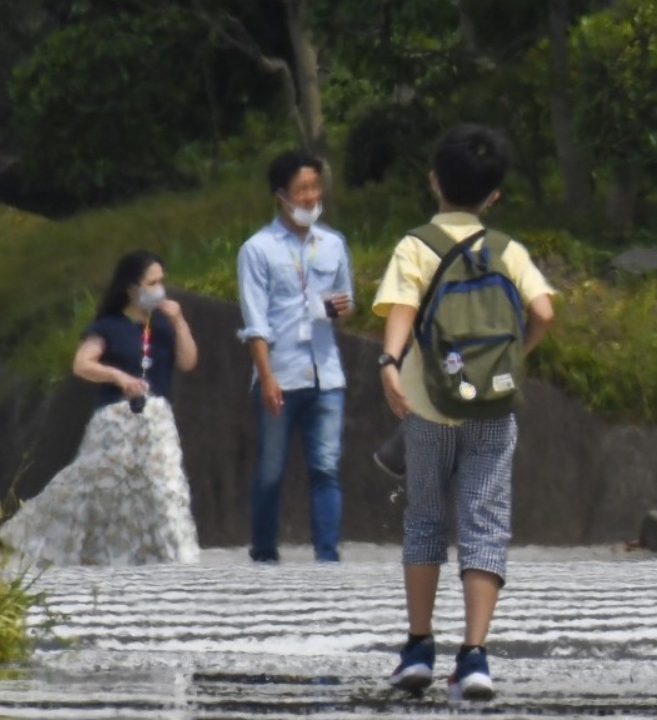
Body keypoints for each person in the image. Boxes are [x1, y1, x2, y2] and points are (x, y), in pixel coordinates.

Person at [373, 124, 555, 701]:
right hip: (494, 407)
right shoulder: (508, 250)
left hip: (427, 403)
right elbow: (545, 311)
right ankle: (474, 657)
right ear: (493, 194)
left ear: (434, 180)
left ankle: (419, 649)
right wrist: (512, 359)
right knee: (485, 522)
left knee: (425, 518)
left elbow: (401, 310)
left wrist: (388, 361)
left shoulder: (415, 246)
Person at [0, 250, 200, 566]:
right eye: (153, 282)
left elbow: (188, 361)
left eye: (162, 281)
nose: (160, 288)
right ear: (132, 289)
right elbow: (82, 364)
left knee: (167, 487)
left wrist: (178, 320)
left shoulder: (163, 325)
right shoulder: (107, 326)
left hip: (157, 417)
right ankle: (62, 540)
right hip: (116, 418)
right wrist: (118, 376)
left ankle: (175, 554)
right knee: (100, 484)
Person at [237, 150, 354, 563]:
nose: (310, 197)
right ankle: (265, 550)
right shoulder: (258, 249)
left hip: (327, 373)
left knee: (326, 467)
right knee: (271, 469)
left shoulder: (334, 244)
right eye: (302, 189)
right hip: (281, 371)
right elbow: (255, 320)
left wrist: (333, 307)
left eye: (315, 187)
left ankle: (327, 554)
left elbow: (347, 301)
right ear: (281, 196)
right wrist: (266, 376)